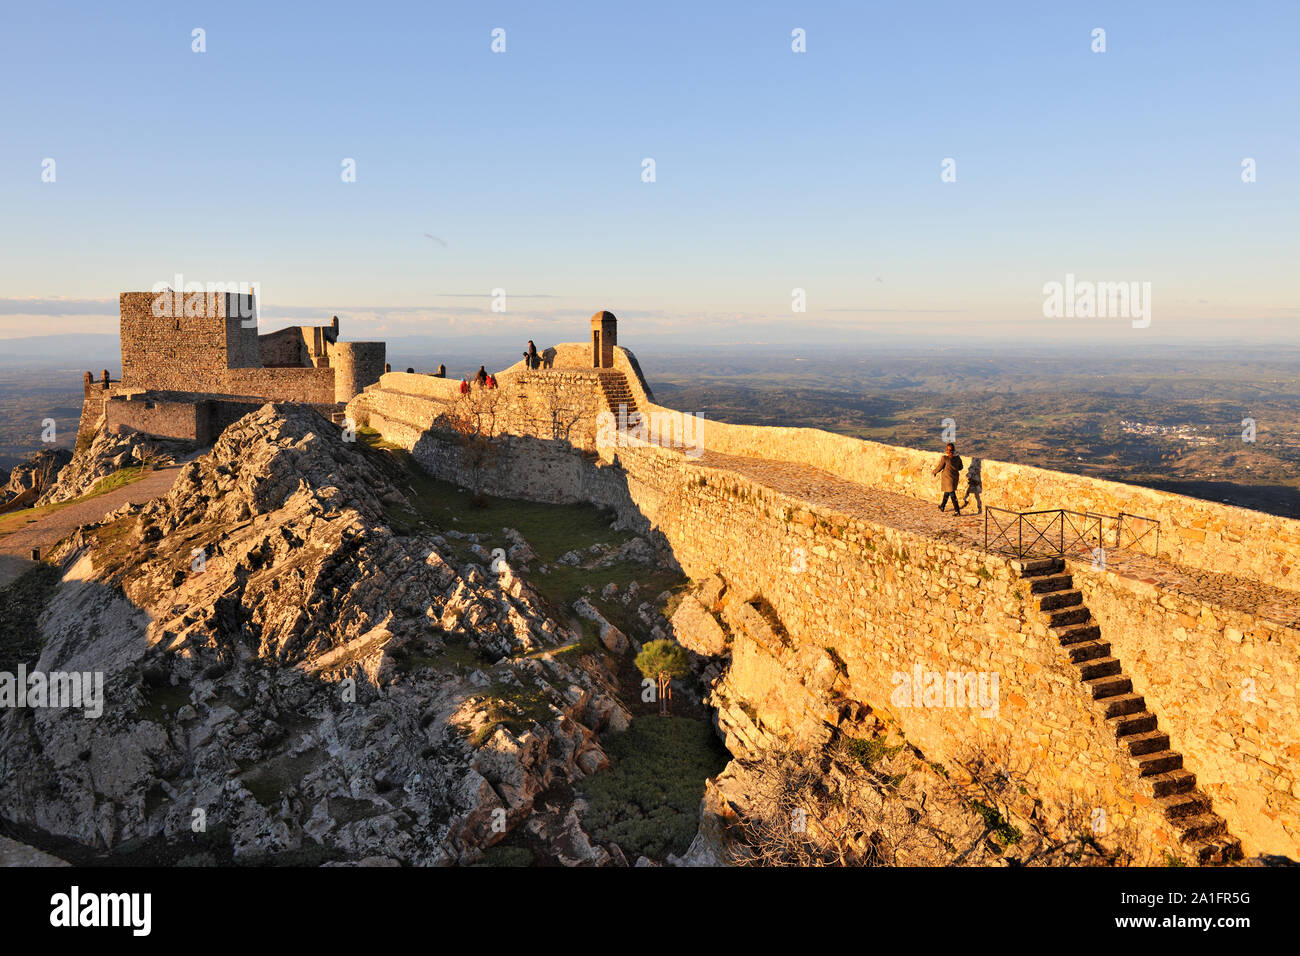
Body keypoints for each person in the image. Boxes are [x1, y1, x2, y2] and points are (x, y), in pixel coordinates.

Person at [931, 442, 964, 515]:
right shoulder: (958, 458)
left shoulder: (945, 458)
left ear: (947, 450)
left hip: (947, 479)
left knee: (952, 493)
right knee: (947, 492)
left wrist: (934, 472)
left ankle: (957, 510)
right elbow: (961, 467)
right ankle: (942, 506)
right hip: (955, 478)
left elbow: (940, 467)